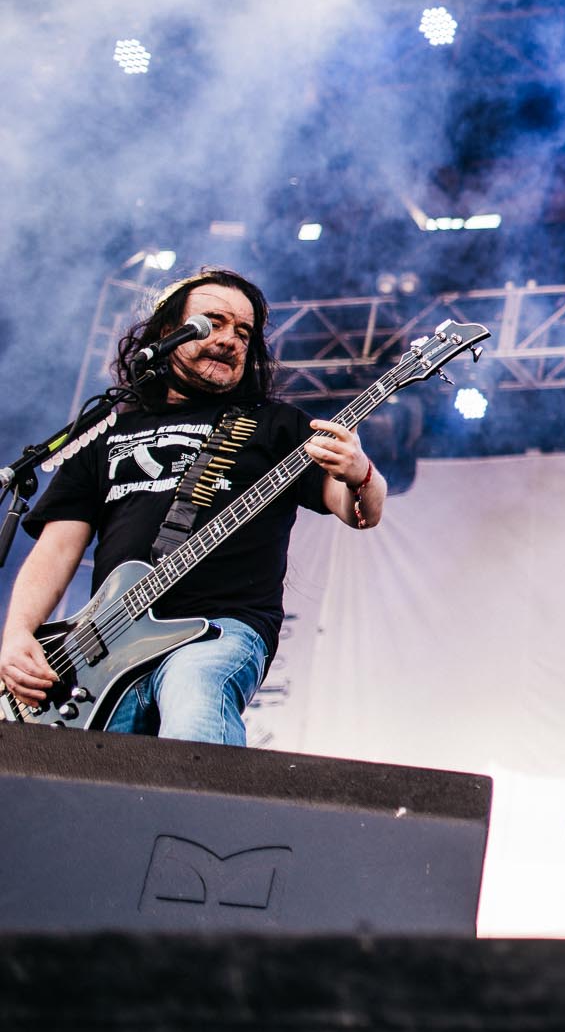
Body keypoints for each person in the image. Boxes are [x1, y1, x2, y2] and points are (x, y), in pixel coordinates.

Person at [0, 268, 385, 745]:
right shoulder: (107, 432)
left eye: (243, 332)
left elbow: (358, 511)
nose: (229, 340)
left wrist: (361, 473)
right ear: (168, 331)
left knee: (195, 701)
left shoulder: (276, 425)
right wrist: (18, 634)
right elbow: (57, 549)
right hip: (106, 647)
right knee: (94, 772)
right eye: (213, 322)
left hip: (220, 629)